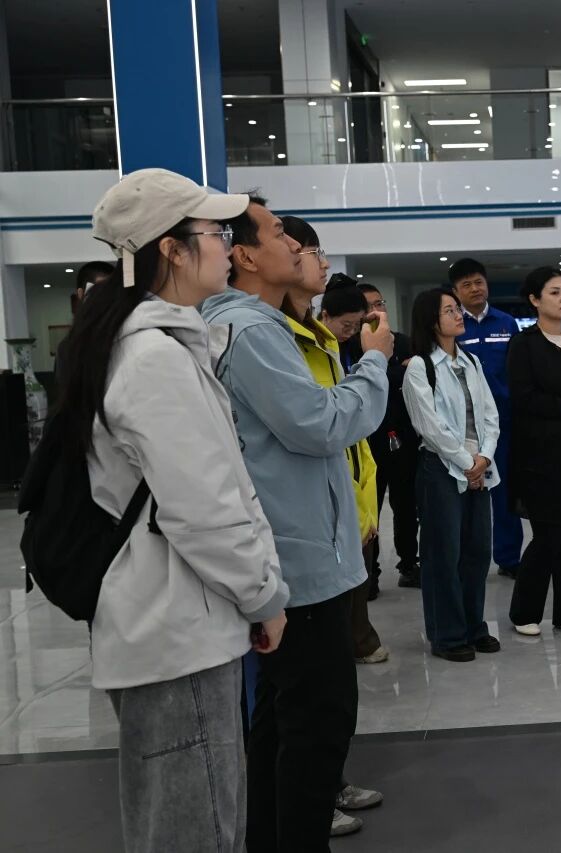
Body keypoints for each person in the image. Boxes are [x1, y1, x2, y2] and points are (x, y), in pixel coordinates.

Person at [66, 168, 288, 852]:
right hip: (177, 637)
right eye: (215, 232)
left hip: (169, 626)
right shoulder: (153, 359)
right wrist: (263, 595)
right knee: (197, 832)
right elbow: (204, 509)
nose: (227, 245)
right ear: (170, 248)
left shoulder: (144, 344)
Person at [201, 194, 393, 848]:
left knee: (282, 722)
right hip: (298, 562)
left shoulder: (259, 326)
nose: (296, 245)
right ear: (246, 256)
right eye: (281, 233)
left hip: (298, 551)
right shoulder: (253, 332)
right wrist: (375, 361)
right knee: (316, 724)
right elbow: (320, 425)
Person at [280, 222, 388, 667]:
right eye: (311, 252)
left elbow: (353, 443)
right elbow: (325, 427)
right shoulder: (266, 335)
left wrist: (363, 510)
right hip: (303, 531)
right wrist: (375, 359)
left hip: (342, 502)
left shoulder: (318, 339)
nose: (324, 263)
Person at [403, 287, 503, 661]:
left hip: (478, 466)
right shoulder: (420, 366)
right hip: (441, 468)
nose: (459, 314)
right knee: (443, 554)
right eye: (449, 310)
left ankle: (474, 627)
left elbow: (490, 415)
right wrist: (465, 461)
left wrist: (484, 457)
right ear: (432, 320)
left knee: (477, 552)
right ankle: (447, 635)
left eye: (457, 309)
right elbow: (429, 425)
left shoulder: (471, 361)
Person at [505, 267, 561, 636]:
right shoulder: (525, 344)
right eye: (554, 292)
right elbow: (523, 397)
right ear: (534, 299)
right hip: (543, 456)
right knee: (547, 537)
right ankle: (524, 612)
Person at [450, 258, 522, 579]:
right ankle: (466, 558)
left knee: (504, 493)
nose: (475, 288)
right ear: (456, 291)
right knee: (465, 492)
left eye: (478, 282)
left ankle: (508, 558)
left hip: (504, 422)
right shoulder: (453, 325)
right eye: (466, 284)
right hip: (464, 424)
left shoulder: (506, 323)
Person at [358, 283, 419, 593]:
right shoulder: (353, 344)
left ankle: (409, 564)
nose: (376, 310)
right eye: (369, 305)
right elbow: (360, 380)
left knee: (406, 507)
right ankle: (370, 573)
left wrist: (388, 375)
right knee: (370, 510)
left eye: (379, 303)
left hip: (403, 437)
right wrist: (395, 374)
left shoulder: (403, 342)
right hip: (366, 440)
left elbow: (416, 378)